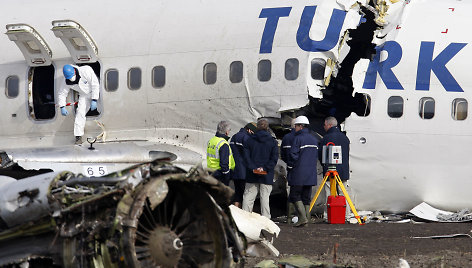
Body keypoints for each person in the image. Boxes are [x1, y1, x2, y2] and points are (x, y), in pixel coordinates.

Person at [287, 116, 320, 227]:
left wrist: (290, 167)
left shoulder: (298, 138)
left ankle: (302, 218)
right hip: (311, 173)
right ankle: (308, 219)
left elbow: (293, 155)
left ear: (300, 126)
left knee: (295, 195)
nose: (294, 128)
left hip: (299, 173)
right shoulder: (314, 139)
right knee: (306, 197)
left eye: (296, 126)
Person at [242, 118, 279, 219]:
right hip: (266, 175)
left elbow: (246, 157)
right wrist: (265, 168)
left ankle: (245, 219)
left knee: (248, 198)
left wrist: (254, 168)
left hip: (251, 174)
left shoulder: (249, 140)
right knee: (265, 199)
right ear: (267, 127)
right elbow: (274, 159)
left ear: (257, 127)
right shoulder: (272, 142)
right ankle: (266, 220)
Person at [58, 64, 100, 145]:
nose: (71, 79)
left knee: (101, 108)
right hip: (84, 95)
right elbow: (62, 93)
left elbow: (95, 85)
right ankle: (78, 137)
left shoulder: (86, 70)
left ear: (74, 71)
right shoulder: (66, 81)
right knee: (80, 113)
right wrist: (62, 106)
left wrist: (94, 99)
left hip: (97, 90)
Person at [320, 116, 351, 218]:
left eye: (324, 125)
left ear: (329, 125)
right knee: (343, 194)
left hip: (329, 170)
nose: (323, 127)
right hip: (343, 171)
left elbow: (321, 155)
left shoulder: (326, 138)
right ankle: (345, 215)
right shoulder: (345, 138)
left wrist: (324, 165)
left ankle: (328, 215)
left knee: (329, 194)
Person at [229, 122, 257, 208]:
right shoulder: (246, 138)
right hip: (243, 170)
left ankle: (235, 212)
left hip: (234, 169)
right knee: (244, 194)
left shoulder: (234, 136)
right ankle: (241, 214)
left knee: (238, 192)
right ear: (249, 130)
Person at [207, 120, 235, 186]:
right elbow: (224, 163)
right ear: (227, 132)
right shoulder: (223, 144)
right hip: (220, 174)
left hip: (211, 170)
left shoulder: (212, 140)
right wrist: (227, 175)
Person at [280, 118, 296, 223]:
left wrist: (289, 164)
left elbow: (283, 154)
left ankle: (290, 216)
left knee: (291, 192)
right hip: (302, 170)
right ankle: (303, 215)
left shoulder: (286, 138)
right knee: (303, 193)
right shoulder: (305, 137)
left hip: (290, 169)